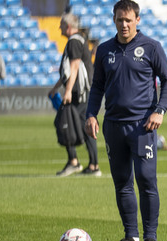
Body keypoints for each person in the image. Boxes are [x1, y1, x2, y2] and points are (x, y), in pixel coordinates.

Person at [85, 0, 167, 241]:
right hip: (113, 125)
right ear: (113, 20)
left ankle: (151, 238)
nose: (123, 24)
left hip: (142, 126)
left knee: (146, 179)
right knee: (122, 182)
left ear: (137, 20)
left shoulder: (151, 47)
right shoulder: (103, 50)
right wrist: (91, 114)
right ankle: (131, 237)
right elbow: (97, 87)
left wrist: (160, 110)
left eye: (128, 20)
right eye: (119, 20)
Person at [49, 13, 101, 177]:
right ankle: (92, 165)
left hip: (80, 92)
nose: (60, 28)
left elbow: (74, 68)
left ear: (69, 26)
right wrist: (56, 87)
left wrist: (68, 91)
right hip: (83, 90)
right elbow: (68, 71)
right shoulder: (79, 40)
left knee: (66, 123)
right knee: (85, 126)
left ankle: (76, 162)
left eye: (62, 25)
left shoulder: (73, 42)